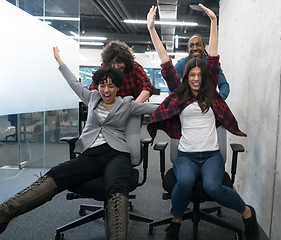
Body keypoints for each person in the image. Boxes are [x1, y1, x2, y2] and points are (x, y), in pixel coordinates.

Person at [0, 47, 158, 240]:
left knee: (117, 186)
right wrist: (59, 60)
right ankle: (5, 212)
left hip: (116, 154)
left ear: (118, 87)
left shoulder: (127, 103)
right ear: (97, 86)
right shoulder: (90, 97)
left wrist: (184, 102)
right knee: (57, 173)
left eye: (110, 86)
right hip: (90, 153)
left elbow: (155, 108)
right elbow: (73, 82)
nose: (106, 90)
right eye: (102, 85)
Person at [146, 4, 260, 240]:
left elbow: (215, 57)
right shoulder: (179, 95)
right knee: (185, 181)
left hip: (211, 155)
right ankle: (176, 221)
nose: (196, 78)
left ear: (205, 77)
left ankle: (247, 213)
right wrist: (151, 29)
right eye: (192, 75)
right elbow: (165, 61)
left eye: (200, 75)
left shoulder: (212, 96)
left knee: (213, 187)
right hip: (186, 155)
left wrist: (214, 22)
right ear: (186, 77)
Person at [89, 40, 154, 102]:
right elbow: (93, 88)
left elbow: (148, 88)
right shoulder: (105, 68)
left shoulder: (135, 68)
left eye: (120, 62)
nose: (117, 66)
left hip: (133, 109)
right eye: (113, 63)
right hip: (110, 109)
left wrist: (133, 106)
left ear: (126, 61)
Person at [175, 35, 230, 100]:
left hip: (207, 104)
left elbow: (224, 85)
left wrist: (216, 102)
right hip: (187, 104)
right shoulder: (181, 64)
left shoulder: (211, 64)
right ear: (188, 48)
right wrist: (179, 103)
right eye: (191, 45)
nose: (195, 48)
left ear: (204, 47)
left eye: (198, 45)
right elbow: (174, 86)